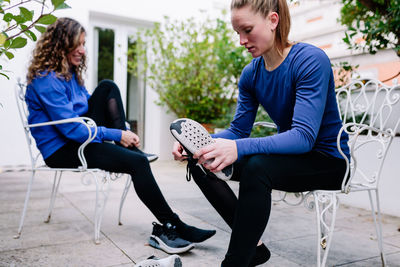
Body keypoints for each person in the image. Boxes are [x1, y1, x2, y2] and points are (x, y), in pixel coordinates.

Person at [172, 0, 350, 266]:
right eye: (237, 33)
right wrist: (197, 144)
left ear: (273, 21)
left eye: (247, 30)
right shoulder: (251, 74)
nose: (242, 40)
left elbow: (303, 137)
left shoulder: (310, 60)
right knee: (202, 162)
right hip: (290, 160)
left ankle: (234, 262)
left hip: (329, 161)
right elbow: (238, 130)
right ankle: (252, 248)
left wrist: (238, 148)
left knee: (257, 167)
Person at [25, 17, 216, 256]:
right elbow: (71, 129)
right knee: (137, 163)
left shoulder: (69, 74)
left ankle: (131, 152)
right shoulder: (46, 80)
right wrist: (117, 133)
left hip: (78, 140)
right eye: (78, 44)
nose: (83, 50)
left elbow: (84, 110)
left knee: (107, 86)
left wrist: (114, 129)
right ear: (60, 45)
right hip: (62, 149)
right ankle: (173, 225)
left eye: (84, 44)